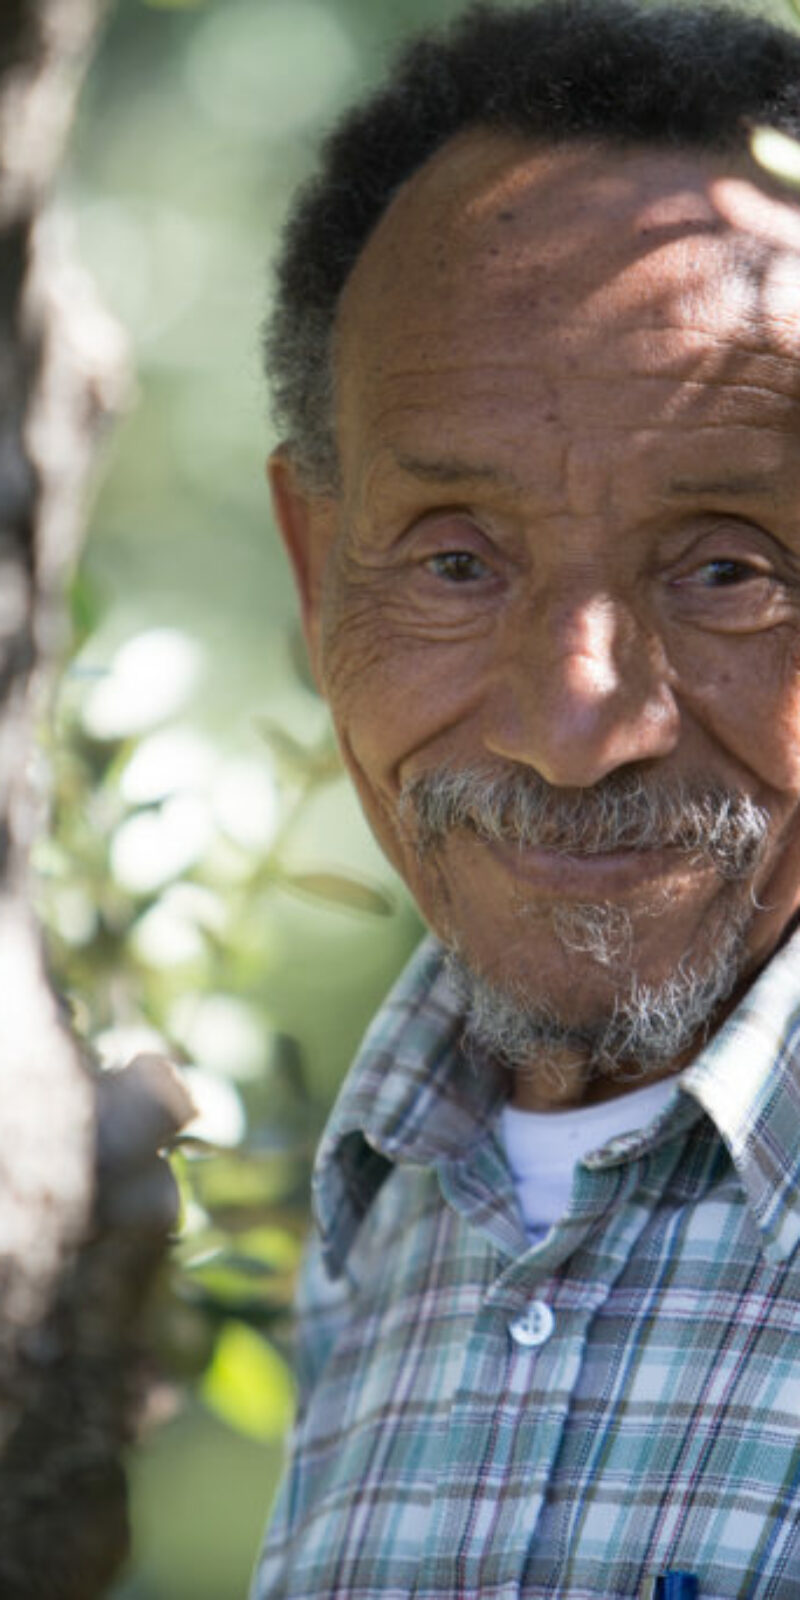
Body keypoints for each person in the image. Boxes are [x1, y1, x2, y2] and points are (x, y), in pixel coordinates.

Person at [251, 3, 800, 1595]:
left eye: (724, 567)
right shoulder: (384, 1215)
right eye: (453, 562)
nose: (579, 728)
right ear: (311, 565)